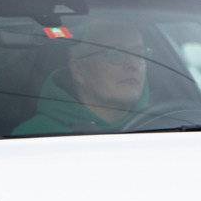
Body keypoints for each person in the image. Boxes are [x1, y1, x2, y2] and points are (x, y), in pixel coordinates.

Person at [13, 22, 153, 135]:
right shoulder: (33, 135)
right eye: (115, 54)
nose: (134, 65)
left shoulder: (164, 122)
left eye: (140, 54)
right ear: (78, 70)